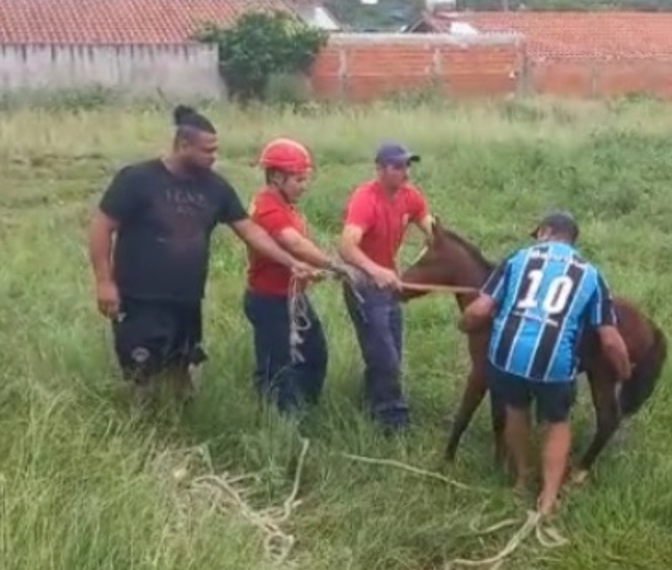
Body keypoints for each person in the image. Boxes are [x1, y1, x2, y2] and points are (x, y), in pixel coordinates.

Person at [87, 105, 317, 406]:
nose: (214, 157)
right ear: (183, 145)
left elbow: (251, 232)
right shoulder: (138, 179)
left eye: (216, 150)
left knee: (182, 369)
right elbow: (101, 227)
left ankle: (180, 428)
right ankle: (140, 431)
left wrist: (292, 262)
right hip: (139, 297)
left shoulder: (215, 187)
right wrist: (104, 282)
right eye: (208, 151)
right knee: (141, 373)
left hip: (186, 298)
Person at [458, 210, 632, 517]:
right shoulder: (591, 275)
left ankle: (523, 478)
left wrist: (464, 324)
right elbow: (609, 339)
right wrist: (624, 369)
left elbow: (479, 311)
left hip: (507, 357)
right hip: (554, 364)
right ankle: (548, 499)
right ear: (571, 239)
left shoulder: (517, 259)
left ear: (545, 232)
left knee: (515, 409)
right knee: (557, 423)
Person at [244, 138, 349, 414]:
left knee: (314, 355)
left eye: (305, 179)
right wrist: (335, 264)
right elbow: (294, 243)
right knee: (277, 367)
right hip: (270, 300)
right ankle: (280, 424)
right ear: (277, 177)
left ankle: (303, 410)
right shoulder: (267, 207)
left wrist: (315, 271)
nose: (304, 186)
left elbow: (291, 254)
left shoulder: (284, 205)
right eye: (299, 179)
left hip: (292, 296)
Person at [337, 142, 435, 433]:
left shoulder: (410, 196)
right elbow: (346, 245)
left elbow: (433, 231)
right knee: (384, 355)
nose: (405, 172)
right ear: (380, 169)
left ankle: (374, 403)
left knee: (391, 350)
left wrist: (433, 251)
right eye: (397, 166)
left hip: (390, 284)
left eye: (407, 165)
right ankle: (394, 422)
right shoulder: (366, 199)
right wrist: (375, 270)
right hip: (364, 285)